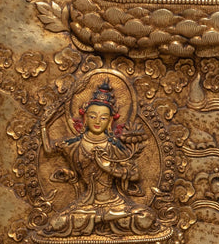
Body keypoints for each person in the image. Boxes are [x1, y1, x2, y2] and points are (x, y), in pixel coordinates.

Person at [40, 80, 155, 235]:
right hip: (85, 205)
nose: (97, 121)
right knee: (58, 222)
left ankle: (101, 219)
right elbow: (49, 150)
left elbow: (135, 174)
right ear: (85, 118)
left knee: (145, 217)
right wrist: (44, 126)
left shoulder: (113, 146)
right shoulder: (75, 144)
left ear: (110, 121)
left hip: (114, 203)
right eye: (93, 116)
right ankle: (102, 219)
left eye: (103, 118)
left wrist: (108, 168)